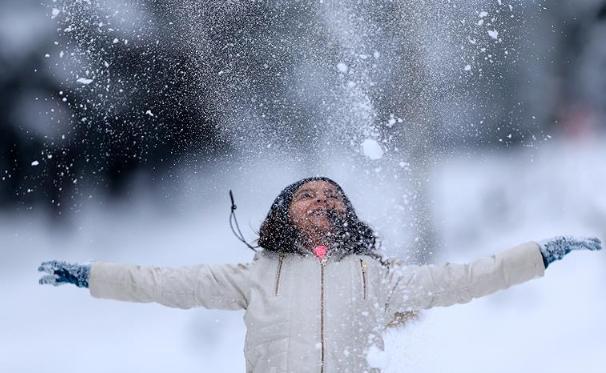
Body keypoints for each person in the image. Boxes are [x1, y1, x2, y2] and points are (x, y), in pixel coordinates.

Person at [38, 177, 602, 373]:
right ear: (284, 214)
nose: (321, 201)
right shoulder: (255, 276)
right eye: (306, 195)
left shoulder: (377, 278)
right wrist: (89, 275)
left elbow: (466, 277)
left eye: (333, 196)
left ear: (348, 215)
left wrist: (541, 254)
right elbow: (159, 281)